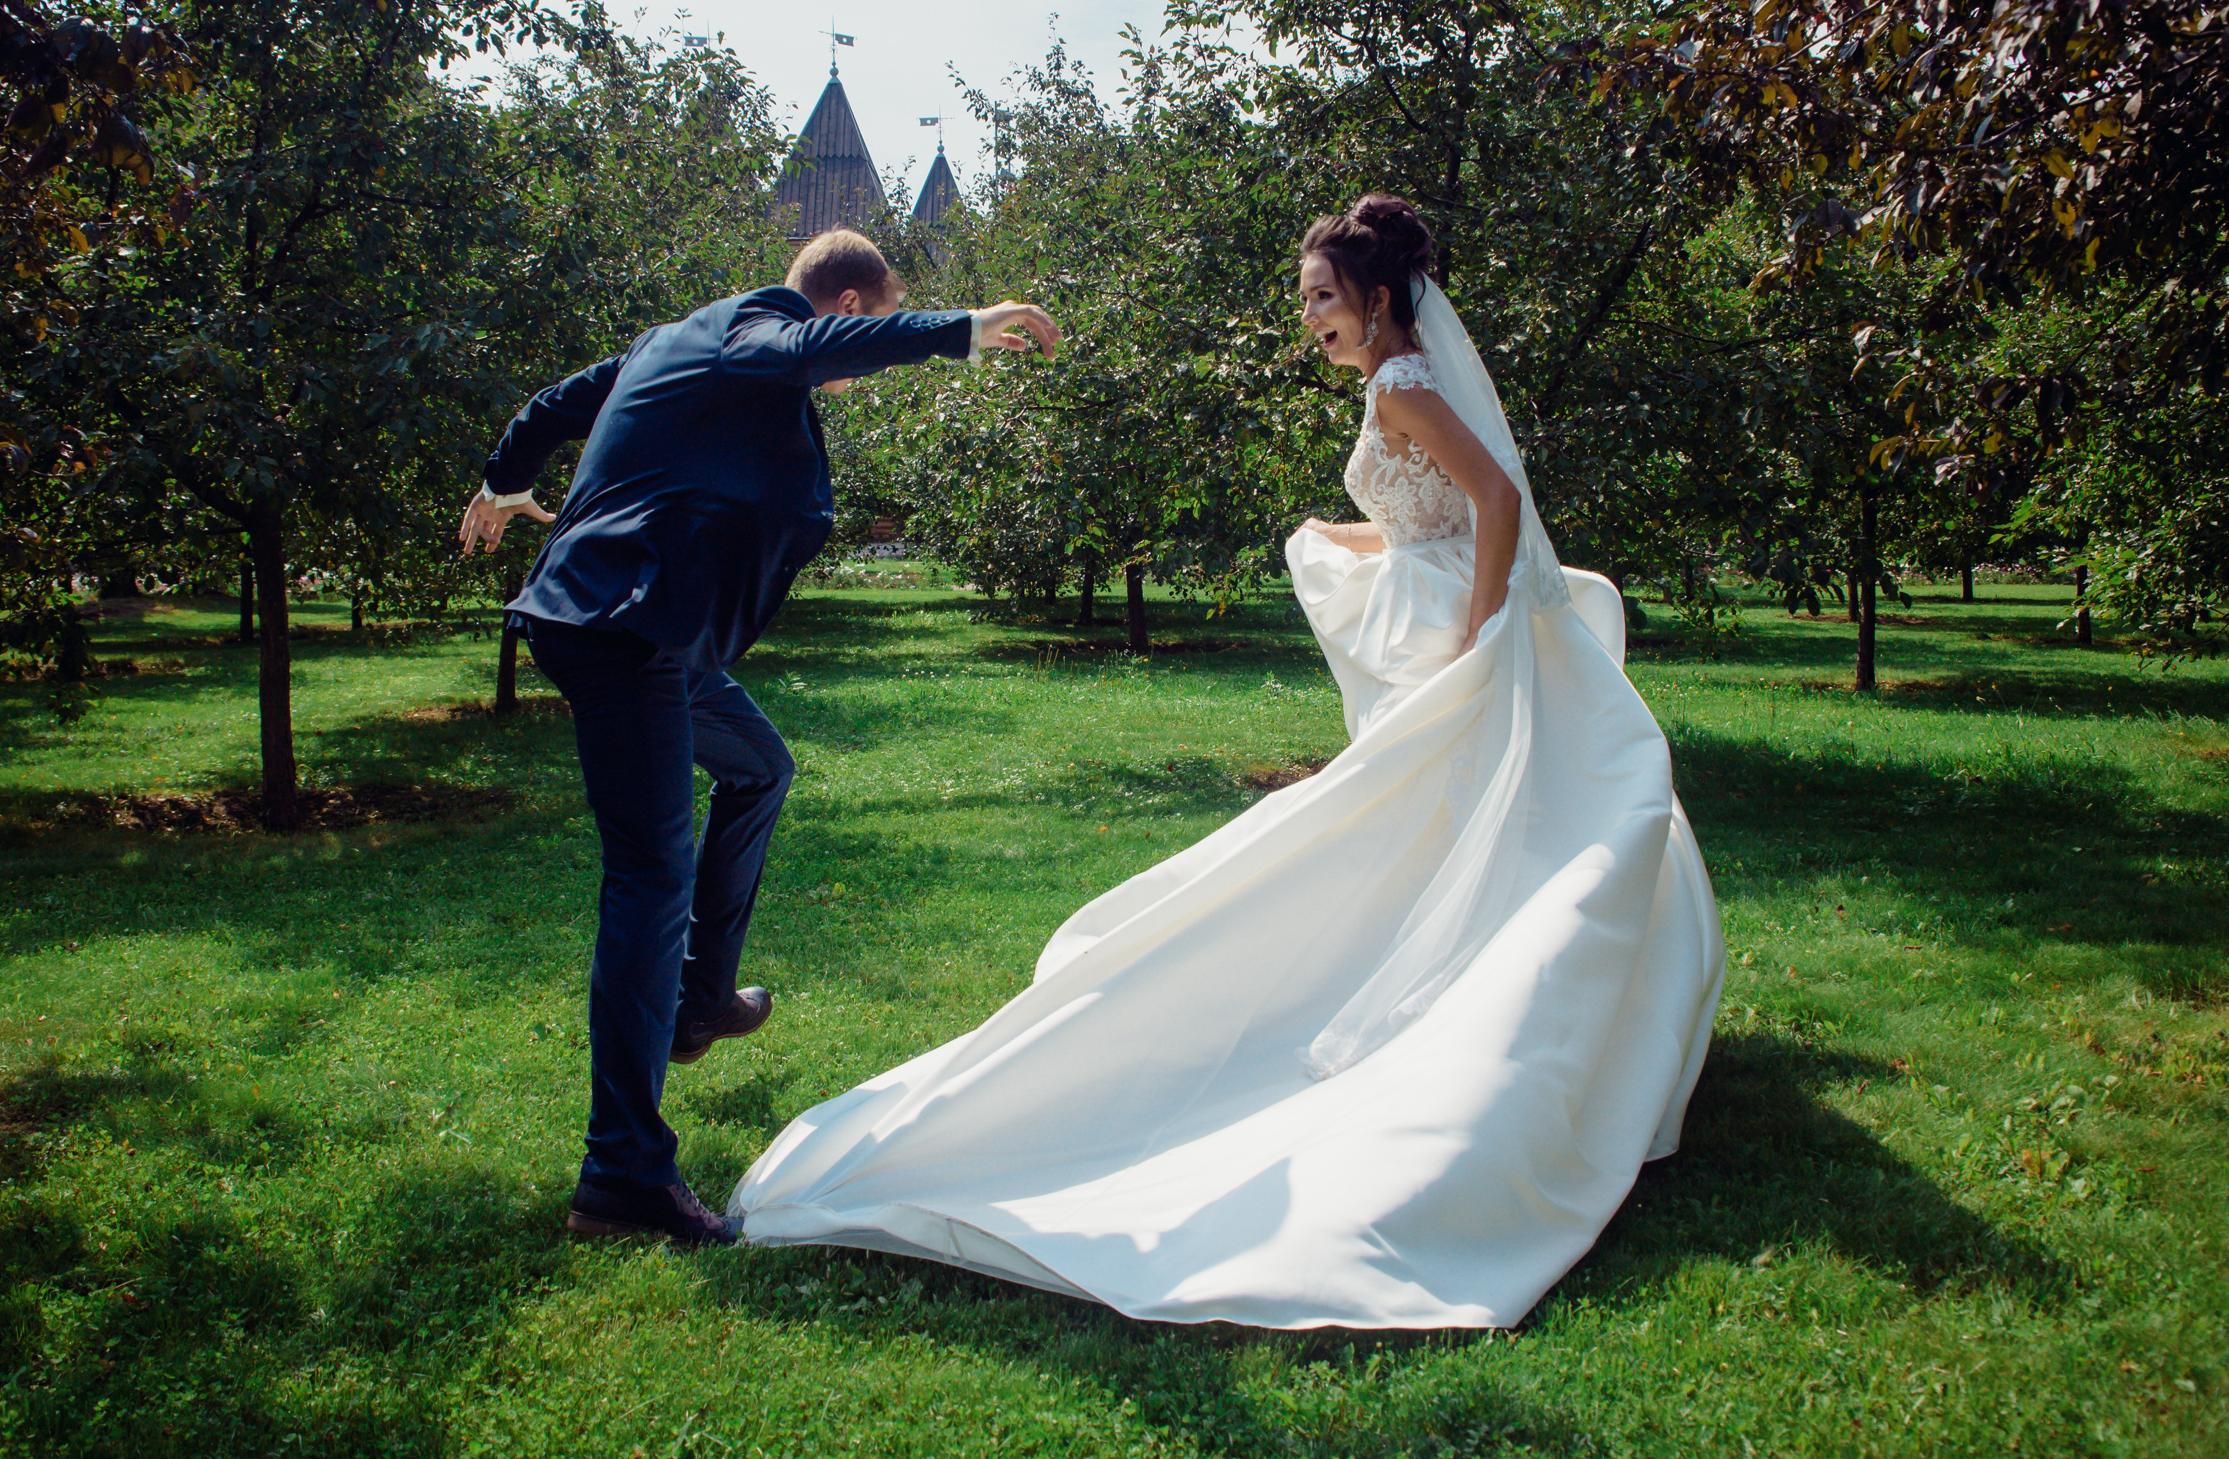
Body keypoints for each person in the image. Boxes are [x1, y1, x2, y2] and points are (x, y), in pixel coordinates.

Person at [729, 195, 1726, 1329]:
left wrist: (1481, 638)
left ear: (1379, 301)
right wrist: (1343, 536)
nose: (1309, 319)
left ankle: (1473, 1012)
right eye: (1305, 301)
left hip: (1456, 633)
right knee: (1457, 825)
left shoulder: (1402, 385)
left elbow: (1495, 500)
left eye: (1322, 299)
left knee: (1440, 820)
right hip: (1436, 608)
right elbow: (1439, 514)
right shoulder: (1399, 384)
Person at [458, 230, 1059, 1245]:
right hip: (625, 629)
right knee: (649, 878)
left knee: (759, 767)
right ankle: (621, 1177)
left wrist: (506, 482)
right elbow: (802, 349)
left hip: (651, 630)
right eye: (871, 326)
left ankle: (700, 1002)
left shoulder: (677, 342)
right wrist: (960, 329)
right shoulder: (758, 330)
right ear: (851, 306)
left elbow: (556, 406)